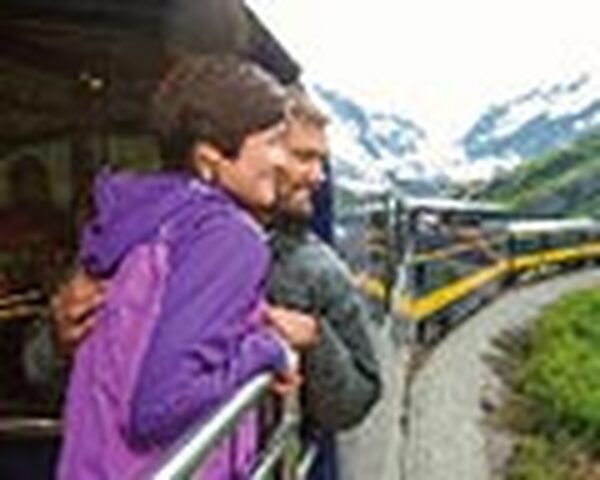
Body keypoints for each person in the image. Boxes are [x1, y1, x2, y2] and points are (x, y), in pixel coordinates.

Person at [49, 90, 385, 478]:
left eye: (320, 160)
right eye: (301, 156)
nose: (317, 175)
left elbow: (355, 402)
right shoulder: (139, 245)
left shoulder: (315, 269)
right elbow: (39, 373)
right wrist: (58, 336)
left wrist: (314, 340)